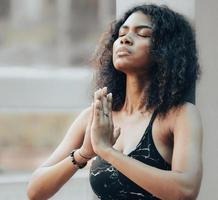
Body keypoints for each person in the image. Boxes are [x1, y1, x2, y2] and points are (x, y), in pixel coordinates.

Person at [27, 4, 203, 200]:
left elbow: (186, 191)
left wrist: (108, 152)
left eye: (143, 34)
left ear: (167, 49)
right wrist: (84, 153)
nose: (125, 39)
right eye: (121, 34)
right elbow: (35, 191)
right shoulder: (95, 116)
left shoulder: (179, 115)